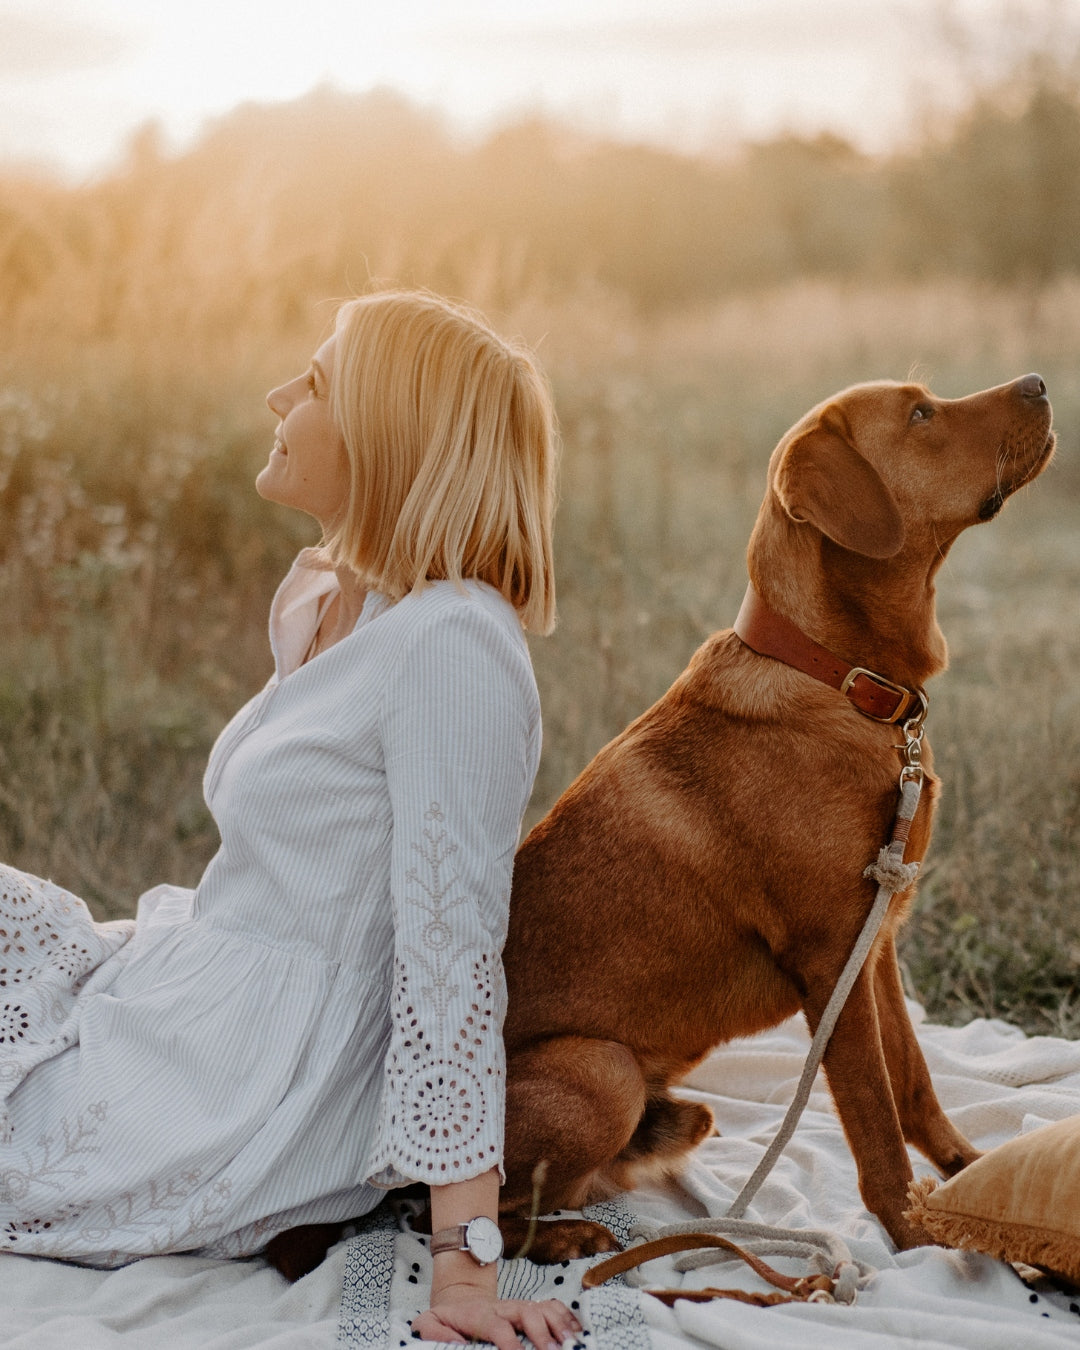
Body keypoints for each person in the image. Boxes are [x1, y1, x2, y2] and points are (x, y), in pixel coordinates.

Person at [0, 289, 578, 1350]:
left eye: (313, 382)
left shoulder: (456, 647)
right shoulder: (331, 594)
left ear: (386, 432)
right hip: (169, 990)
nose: (278, 396)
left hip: (234, 1084)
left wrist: (465, 1270)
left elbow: (450, 958)